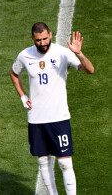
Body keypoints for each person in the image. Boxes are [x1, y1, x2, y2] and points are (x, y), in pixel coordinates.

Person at [10, 22, 94, 195]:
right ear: (32, 38)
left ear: (51, 34)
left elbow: (89, 70)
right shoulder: (25, 55)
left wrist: (79, 54)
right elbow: (14, 73)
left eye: (45, 38)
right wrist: (23, 96)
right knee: (43, 162)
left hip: (59, 117)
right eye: (38, 40)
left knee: (65, 163)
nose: (42, 43)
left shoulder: (62, 53)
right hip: (37, 118)